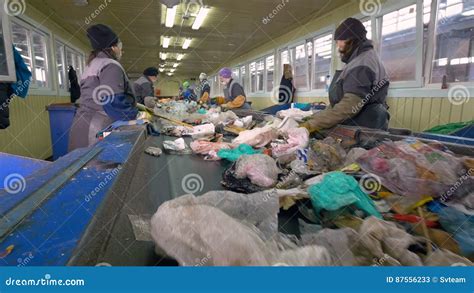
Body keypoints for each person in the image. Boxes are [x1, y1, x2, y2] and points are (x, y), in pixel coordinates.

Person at [301, 17, 390, 132]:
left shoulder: (362, 63)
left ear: (350, 40)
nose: (338, 47)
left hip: (363, 128)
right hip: (359, 124)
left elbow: (348, 106)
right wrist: (314, 118)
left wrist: (312, 124)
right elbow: (338, 105)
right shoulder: (360, 59)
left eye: (339, 42)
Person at [69, 24, 138, 151]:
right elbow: (113, 101)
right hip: (99, 128)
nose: (121, 50)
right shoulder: (110, 65)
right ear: (113, 47)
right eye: (119, 46)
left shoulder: (92, 64)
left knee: (80, 165)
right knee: (99, 165)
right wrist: (135, 117)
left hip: (82, 124)